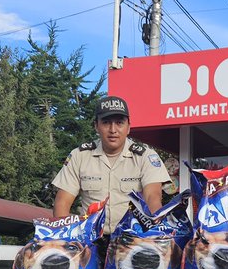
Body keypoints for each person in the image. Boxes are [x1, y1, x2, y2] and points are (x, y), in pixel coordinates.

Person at [51, 95, 171, 233]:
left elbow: (153, 198)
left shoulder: (145, 157)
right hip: (90, 239)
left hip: (131, 239)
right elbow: (62, 203)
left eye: (119, 123)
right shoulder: (80, 155)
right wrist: (64, 239)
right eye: (106, 122)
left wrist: (155, 230)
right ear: (96, 126)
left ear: (128, 127)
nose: (113, 129)